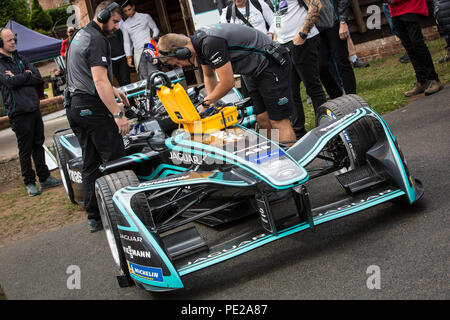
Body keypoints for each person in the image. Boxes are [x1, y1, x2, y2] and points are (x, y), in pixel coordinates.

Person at [158, 24, 296, 143]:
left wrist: (207, 102)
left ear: (182, 52)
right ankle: (275, 158)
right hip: (253, 70)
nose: (180, 65)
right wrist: (209, 106)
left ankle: (291, 167)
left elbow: (228, 82)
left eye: (177, 62)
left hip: (270, 64)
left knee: (278, 120)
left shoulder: (210, 43)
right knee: (262, 118)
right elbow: (209, 75)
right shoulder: (199, 46)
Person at [65, 1, 130, 232]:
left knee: (91, 163)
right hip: (92, 109)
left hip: (75, 108)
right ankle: (126, 217)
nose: (116, 27)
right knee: (116, 160)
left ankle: (94, 217)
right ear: (102, 16)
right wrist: (118, 113)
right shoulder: (98, 40)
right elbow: (100, 80)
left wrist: (113, 90)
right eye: (114, 21)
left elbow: (86, 74)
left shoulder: (81, 35)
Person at [0, 27, 62, 196]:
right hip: (18, 113)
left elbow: (37, 77)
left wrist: (21, 76)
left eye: (14, 39)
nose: (13, 42)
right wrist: (25, 75)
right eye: (9, 40)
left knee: (38, 144)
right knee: (25, 149)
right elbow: (10, 82)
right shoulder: (0, 63)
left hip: (33, 108)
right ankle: (29, 182)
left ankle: (44, 178)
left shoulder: (21, 58)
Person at [268, 0, 326, 139]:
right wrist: (274, 34)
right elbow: (278, 13)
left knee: (312, 87)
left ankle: (325, 127)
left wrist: (303, 34)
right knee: (291, 91)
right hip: (283, 45)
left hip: (303, 41)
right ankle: (299, 132)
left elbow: (316, 5)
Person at [388, 0, 443, 96]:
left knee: (417, 44)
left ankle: (433, 79)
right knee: (409, 47)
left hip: (410, 6)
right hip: (394, 11)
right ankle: (422, 81)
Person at [317, 0, 357, 97]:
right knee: (320, 66)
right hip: (316, 29)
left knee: (341, 61)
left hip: (335, 23)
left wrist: (343, 21)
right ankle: (336, 96)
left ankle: (352, 96)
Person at [122, 0, 160, 80]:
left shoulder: (145, 17)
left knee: (154, 72)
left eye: (129, 9)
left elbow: (155, 29)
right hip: (138, 52)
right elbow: (127, 42)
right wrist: (128, 57)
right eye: (125, 11)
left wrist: (153, 38)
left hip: (149, 47)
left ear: (133, 7)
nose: (128, 12)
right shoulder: (125, 24)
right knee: (143, 76)